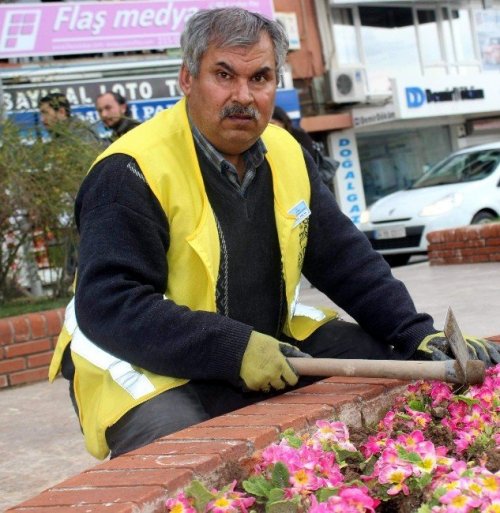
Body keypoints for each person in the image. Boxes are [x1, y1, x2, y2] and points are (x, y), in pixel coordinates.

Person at [49, 7, 500, 461]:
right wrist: (230, 348)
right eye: (223, 75)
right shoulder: (130, 169)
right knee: (182, 450)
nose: (243, 96)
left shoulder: (286, 152)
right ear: (187, 78)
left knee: (389, 367)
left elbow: (346, 261)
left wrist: (414, 333)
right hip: (134, 358)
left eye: (260, 78)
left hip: (254, 339)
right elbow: (110, 305)